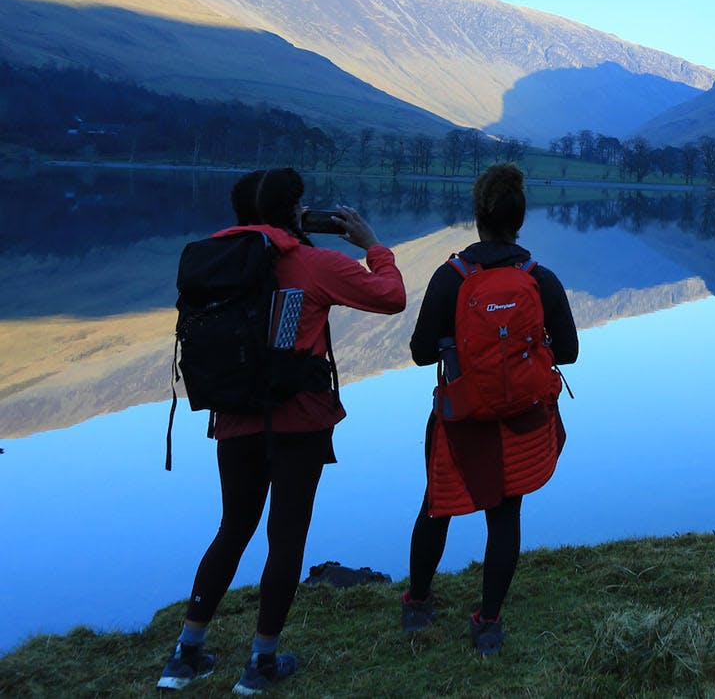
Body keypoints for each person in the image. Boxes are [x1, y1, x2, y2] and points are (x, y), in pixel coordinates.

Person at [158, 168, 406, 694]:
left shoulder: (214, 259)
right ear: (294, 212)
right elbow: (391, 296)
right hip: (299, 419)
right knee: (286, 536)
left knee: (233, 528)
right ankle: (261, 665)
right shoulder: (312, 263)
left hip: (233, 414)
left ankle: (184, 657)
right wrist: (373, 245)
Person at [400, 163, 578, 655]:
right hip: (520, 418)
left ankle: (417, 604)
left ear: (478, 216)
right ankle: (489, 624)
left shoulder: (449, 277)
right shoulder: (540, 279)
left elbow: (418, 354)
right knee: (505, 516)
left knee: (436, 507)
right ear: (520, 220)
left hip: (462, 420)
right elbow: (568, 352)